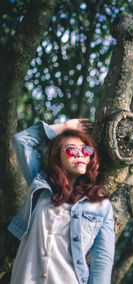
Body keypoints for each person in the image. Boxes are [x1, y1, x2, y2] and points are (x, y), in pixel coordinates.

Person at [8, 119, 115, 284]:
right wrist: (64, 127)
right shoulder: (41, 186)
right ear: (58, 156)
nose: (80, 154)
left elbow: (102, 264)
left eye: (86, 150)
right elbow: (21, 141)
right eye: (71, 150)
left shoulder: (101, 206)